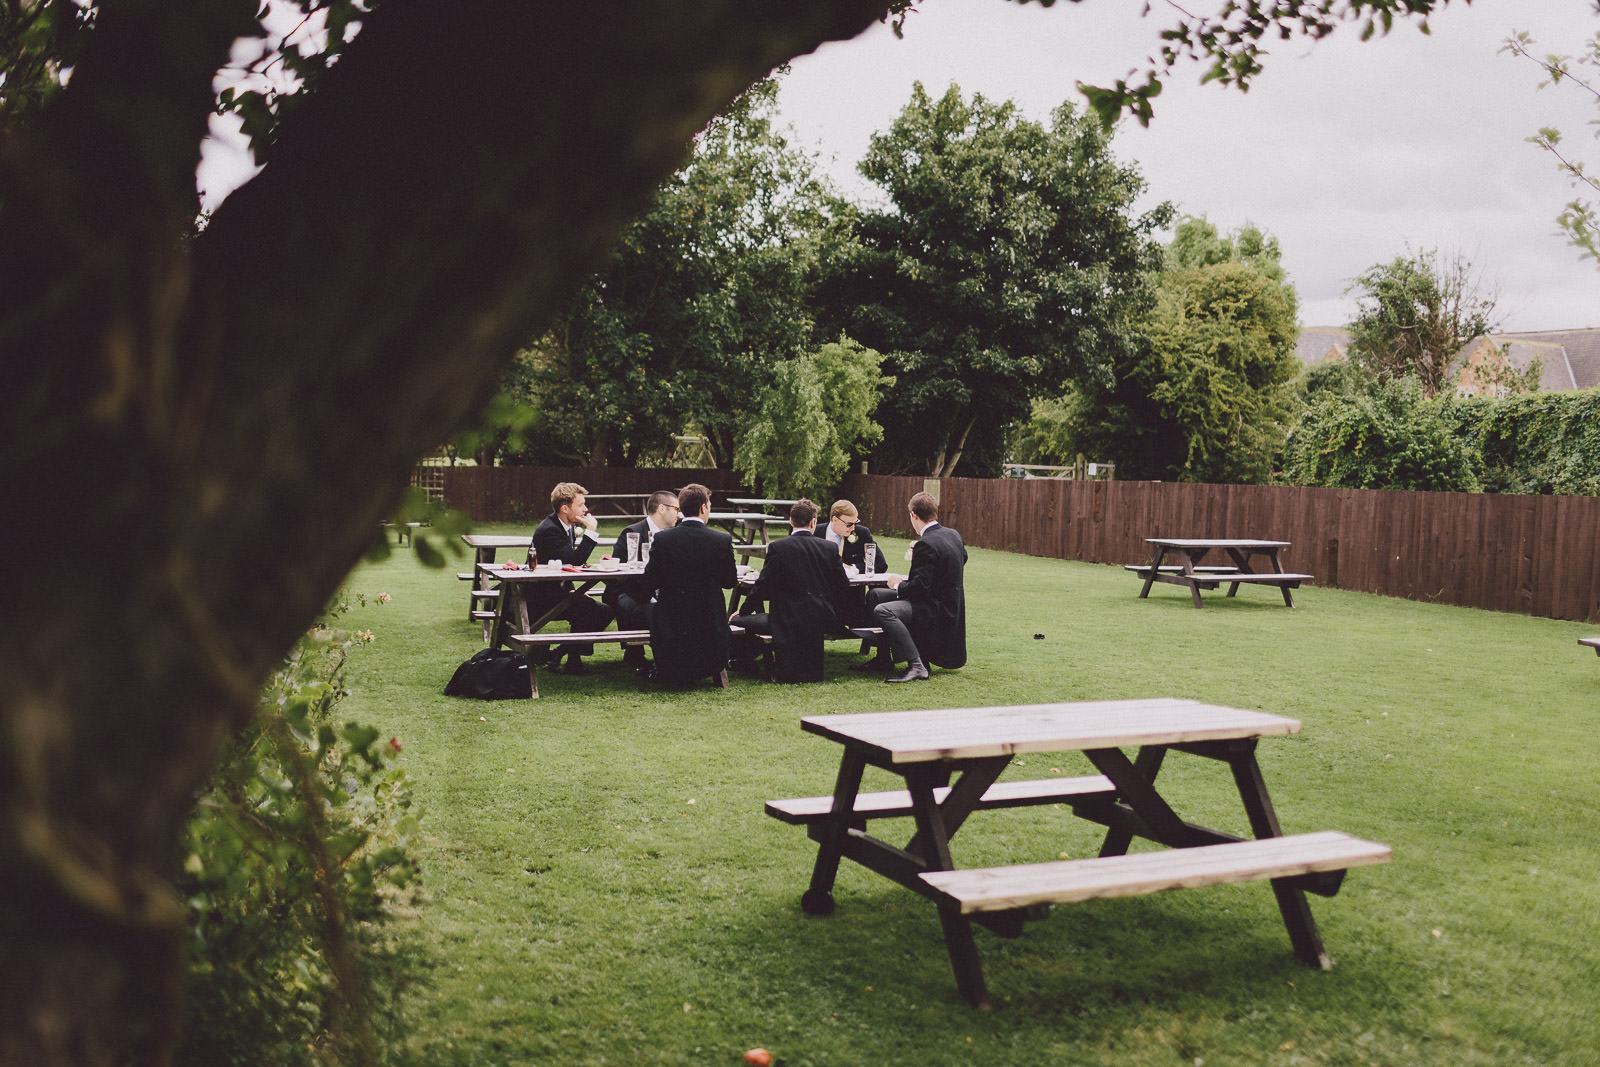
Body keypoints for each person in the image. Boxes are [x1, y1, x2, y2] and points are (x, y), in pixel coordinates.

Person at [729, 498, 856, 683]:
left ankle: (740, 660)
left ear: (791, 521)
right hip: (821, 617)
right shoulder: (829, 548)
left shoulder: (778, 547)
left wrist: (744, 611)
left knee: (736, 620)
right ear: (813, 522)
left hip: (785, 617)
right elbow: (842, 586)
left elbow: (762, 586)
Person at [639, 482, 737, 687]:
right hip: (709, 624)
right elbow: (729, 582)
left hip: (672, 624)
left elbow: (650, 580)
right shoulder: (721, 540)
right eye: (709, 506)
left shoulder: (663, 539)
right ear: (703, 507)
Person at [868, 491, 967, 684]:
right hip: (950, 604)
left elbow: (919, 588)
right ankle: (883, 659)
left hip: (933, 608)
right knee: (875, 595)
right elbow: (962, 558)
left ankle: (917, 665)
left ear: (914, 515)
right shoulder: (953, 535)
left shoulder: (926, 543)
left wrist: (897, 584)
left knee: (883, 610)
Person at [528, 481, 616, 674]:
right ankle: (571, 660)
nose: (585, 509)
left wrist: (573, 590)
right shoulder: (549, 530)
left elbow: (564, 564)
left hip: (558, 591)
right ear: (564, 508)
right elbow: (574, 561)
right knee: (591, 610)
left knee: (603, 611)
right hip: (540, 598)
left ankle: (561, 653)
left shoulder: (565, 526)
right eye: (580, 504)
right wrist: (590, 532)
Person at [603, 489, 680, 674]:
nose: (679, 514)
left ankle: (676, 659)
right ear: (662, 508)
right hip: (627, 592)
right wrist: (650, 595)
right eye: (676, 509)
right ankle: (640, 654)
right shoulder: (632, 532)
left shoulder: (674, 535)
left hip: (660, 593)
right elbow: (618, 576)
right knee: (653, 611)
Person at [820, 499, 888, 576]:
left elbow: (881, 565)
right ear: (835, 520)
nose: (853, 528)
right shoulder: (815, 532)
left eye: (855, 523)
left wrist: (851, 568)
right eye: (849, 524)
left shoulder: (862, 533)